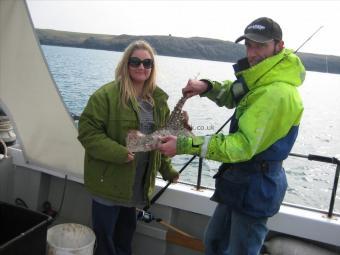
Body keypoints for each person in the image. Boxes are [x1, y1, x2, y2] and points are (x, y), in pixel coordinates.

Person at [158, 17, 305, 255]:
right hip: (238, 179)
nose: (252, 53)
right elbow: (234, 92)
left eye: (260, 46)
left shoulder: (277, 93)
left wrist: (184, 144)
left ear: (279, 46)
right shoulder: (259, 79)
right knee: (214, 241)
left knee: (240, 251)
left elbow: (241, 146)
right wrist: (207, 87)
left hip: (257, 185)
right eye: (249, 45)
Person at [77, 40, 179, 255]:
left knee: (125, 239)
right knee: (105, 241)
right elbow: (88, 133)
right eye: (135, 61)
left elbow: (159, 139)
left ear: (152, 67)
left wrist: (166, 169)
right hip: (108, 184)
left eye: (147, 62)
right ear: (126, 64)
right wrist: (119, 153)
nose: (141, 67)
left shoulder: (158, 101)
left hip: (137, 187)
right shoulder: (105, 96)